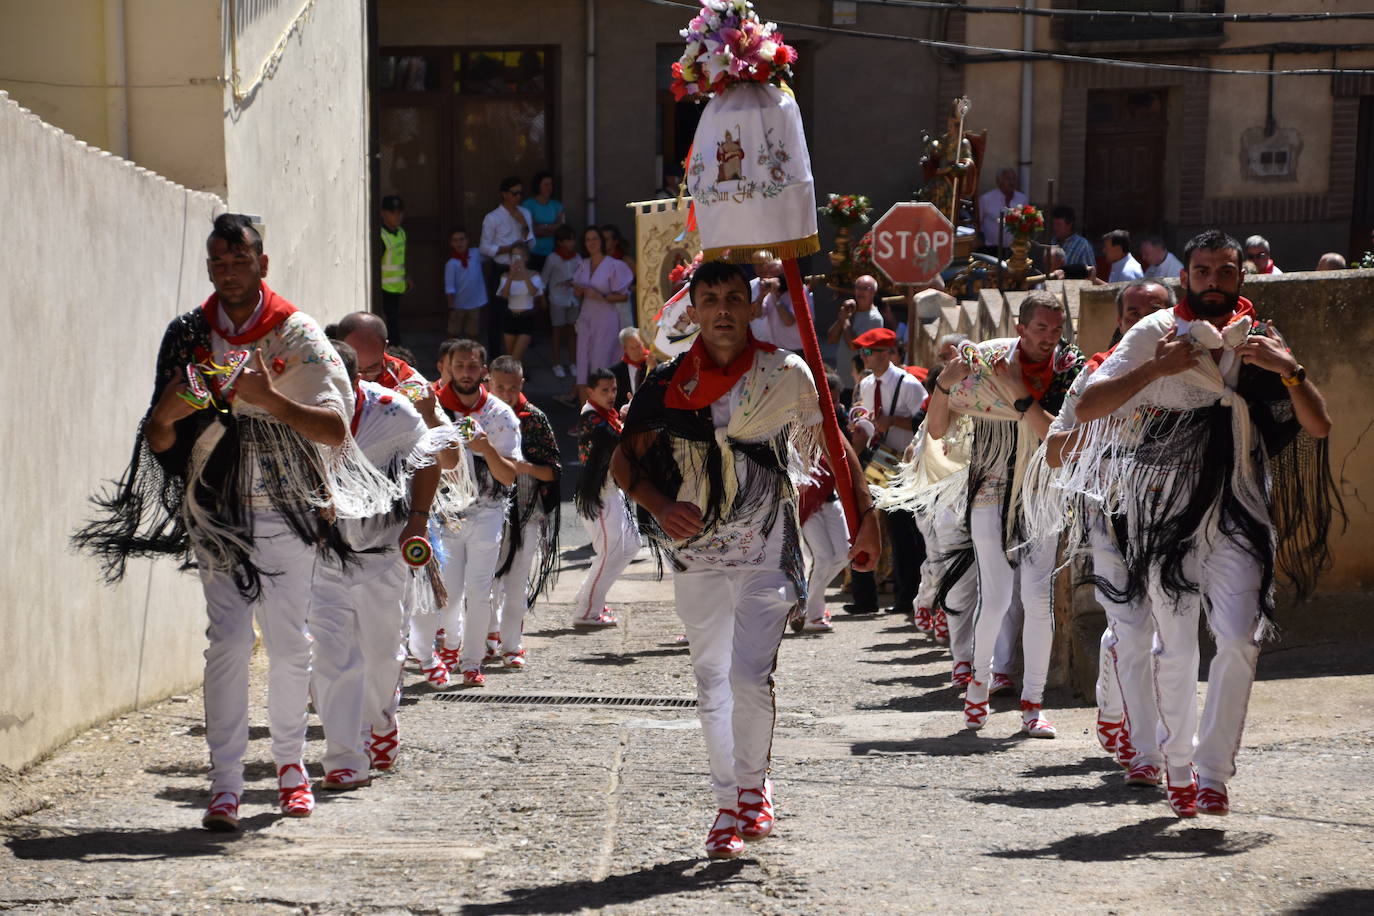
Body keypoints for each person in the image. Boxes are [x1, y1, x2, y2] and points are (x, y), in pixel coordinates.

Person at [74, 213, 398, 830]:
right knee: (224, 642)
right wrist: (170, 412)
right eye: (217, 263)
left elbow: (335, 430)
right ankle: (223, 785)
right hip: (216, 510)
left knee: (286, 644)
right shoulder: (189, 334)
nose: (228, 272)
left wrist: (269, 399)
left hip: (288, 510)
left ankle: (289, 769)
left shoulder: (299, 335)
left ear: (262, 264)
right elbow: (160, 438)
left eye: (239, 261)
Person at [611, 261, 880, 859]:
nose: (724, 309)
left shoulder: (785, 372)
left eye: (735, 297)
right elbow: (623, 461)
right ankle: (725, 803)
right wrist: (658, 504)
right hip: (697, 556)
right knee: (711, 683)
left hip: (767, 552)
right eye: (711, 300)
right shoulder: (667, 381)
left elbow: (831, 447)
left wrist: (867, 523)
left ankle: (751, 788)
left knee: (748, 678)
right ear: (696, 310)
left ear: (752, 306)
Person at [1069, 229, 1334, 817]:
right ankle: (1180, 765)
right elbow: (1087, 406)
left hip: (1239, 505)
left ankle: (1215, 771)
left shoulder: (1261, 337)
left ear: (1241, 276)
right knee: (1177, 647)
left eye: (1226, 270)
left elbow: (1318, 427)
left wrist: (1290, 371)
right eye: (1203, 270)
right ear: (1185, 276)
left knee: (1240, 638)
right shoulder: (1152, 331)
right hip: (1163, 509)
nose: (1214, 280)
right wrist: (1155, 368)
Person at [926, 291, 1085, 739]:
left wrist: (1016, 391)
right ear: (1020, 328)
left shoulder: (1068, 369)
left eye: (1056, 330)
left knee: (1037, 599)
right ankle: (978, 683)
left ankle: (1033, 704)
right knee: (995, 597)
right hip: (990, 489)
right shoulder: (985, 361)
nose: (1050, 339)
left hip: (1041, 490)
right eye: (1041, 329)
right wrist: (943, 384)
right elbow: (938, 429)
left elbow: (1055, 434)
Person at [1039, 279, 1174, 786]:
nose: (1142, 318)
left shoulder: (1197, 368)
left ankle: (1117, 712)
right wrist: (1105, 431)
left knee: (1162, 629)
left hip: (1175, 514)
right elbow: (1054, 450)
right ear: (1119, 321)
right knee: (1136, 628)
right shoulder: (1095, 374)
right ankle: (1147, 750)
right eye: (1133, 310)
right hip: (1111, 515)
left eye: (1155, 309)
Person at [307, 340, 446, 789]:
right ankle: (345, 755)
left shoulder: (393, 411)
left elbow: (428, 460)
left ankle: (381, 721)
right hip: (322, 557)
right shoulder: (297, 412)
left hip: (383, 553)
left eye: (335, 386)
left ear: (354, 381)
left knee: (381, 655)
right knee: (331, 656)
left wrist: (419, 521)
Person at [408, 339, 523, 688]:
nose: (466, 373)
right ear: (447, 367)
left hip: (488, 512)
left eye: (473, 366)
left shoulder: (500, 415)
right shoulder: (430, 408)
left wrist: (485, 447)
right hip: (445, 515)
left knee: (480, 590)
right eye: (460, 365)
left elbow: (508, 475)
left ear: (484, 371)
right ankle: (451, 646)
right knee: (450, 592)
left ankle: (471, 661)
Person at [488, 356, 561, 668]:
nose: (506, 393)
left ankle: (511, 645)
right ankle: (486, 637)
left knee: (518, 581)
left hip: (526, 511)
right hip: (485, 512)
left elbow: (553, 472)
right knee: (485, 582)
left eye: (512, 387)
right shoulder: (479, 415)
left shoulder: (534, 419)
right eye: (500, 386)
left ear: (522, 385)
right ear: (488, 382)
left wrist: (523, 468)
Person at [849, 327, 927, 618]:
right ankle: (864, 597)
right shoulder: (867, 384)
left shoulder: (908, 384)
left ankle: (907, 597)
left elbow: (925, 423)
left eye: (868, 352)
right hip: (876, 458)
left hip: (899, 461)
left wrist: (892, 420)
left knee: (900, 531)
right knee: (860, 518)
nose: (863, 356)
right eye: (862, 352)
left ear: (886, 354)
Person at [571, 368, 642, 628]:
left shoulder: (605, 414)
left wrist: (626, 415)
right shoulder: (591, 417)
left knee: (631, 545)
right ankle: (587, 610)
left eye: (613, 390)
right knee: (609, 552)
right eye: (605, 391)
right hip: (598, 495)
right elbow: (619, 440)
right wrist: (631, 416)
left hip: (612, 491)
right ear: (590, 392)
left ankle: (589, 595)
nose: (611, 395)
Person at [573, 226, 634, 401]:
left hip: (606, 317)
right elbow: (578, 289)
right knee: (582, 363)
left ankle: (604, 411)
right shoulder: (583, 265)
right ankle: (585, 416)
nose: (591, 243)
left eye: (595, 239)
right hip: (586, 316)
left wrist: (601, 296)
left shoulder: (614, 265)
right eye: (587, 239)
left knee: (601, 364)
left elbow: (623, 296)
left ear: (601, 241)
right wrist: (578, 291)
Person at [480, 176, 537, 354]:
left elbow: (532, 244)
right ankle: (496, 356)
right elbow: (484, 247)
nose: (518, 196)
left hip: (522, 270)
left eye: (520, 192)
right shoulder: (492, 217)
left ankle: (517, 359)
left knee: (521, 313)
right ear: (504, 194)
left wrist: (524, 225)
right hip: (502, 269)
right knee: (498, 315)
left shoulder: (525, 213)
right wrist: (508, 249)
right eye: (514, 193)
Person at [541, 225, 582, 378]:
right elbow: (544, 280)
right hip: (557, 299)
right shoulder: (552, 258)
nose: (571, 243)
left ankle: (572, 362)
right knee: (557, 331)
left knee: (572, 332)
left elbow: (581, 277)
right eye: (567, 240)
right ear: (559, 242)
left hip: (573, 300)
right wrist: (543, 298)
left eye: (572, 240)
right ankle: (556, 363)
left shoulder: (577, 258)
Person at [496, 241, 544, 361]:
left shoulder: (534, 275)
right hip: (510, 317)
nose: (517, 259)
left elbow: (534, 292)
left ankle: (516, 376)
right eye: (514, 256)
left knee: (515, 357)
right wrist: (511, 276)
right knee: (510, 356)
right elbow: (504, 296)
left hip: (526, 318)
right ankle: (517, 376)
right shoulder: (505, 276)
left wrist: (524, 273)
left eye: (520, 256)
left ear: (526, 258)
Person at [445, 228, 488, 341]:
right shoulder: (451, 264)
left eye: (462, 239)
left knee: (473, 334)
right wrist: (451, 308)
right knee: (453, 334)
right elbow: (449, 288)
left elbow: (489, 253)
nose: (459, 243)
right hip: (458, 304)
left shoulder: (476, 254)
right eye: (455, 240)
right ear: (451, 243)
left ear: (467, 240)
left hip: (475, 303)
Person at [826, 275, 886, 352]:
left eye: (865, 288)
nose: (860, 292)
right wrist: (843, 315)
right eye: (858, 287)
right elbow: (831, 340)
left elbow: (854, 347)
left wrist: (845, 321)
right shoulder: (850, 310)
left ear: (874, 292)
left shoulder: (875, 319)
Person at [977, 167, 1029, 254]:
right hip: (991, 248)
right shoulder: (986, 199)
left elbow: (1026, 222)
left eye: (1013, 179)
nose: (1011, 182)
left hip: (1015, 249)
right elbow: (977, 222)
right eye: (1008, 179)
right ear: (998, 182)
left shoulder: (1022, 199)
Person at [521, 170, 565, 270]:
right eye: (546, 184)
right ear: (538, 185)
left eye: (551, 184)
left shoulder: (557, 205)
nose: (549, 187)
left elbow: (561, 229)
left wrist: (542, 226)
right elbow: (533, 230)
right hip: (532, 254)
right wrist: (551, 228)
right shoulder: (528, 204)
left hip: (553, 253)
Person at [379, 195, 408, 342]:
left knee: (395, 321)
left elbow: (400, 259)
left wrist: (406, 277)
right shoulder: (381, 235)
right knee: (389, 326)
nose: (397, 216)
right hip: (383, 289)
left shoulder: (401, 233)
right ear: (383, 213)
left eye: (399, 212)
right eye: (393, 212)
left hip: (398, 287)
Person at [601, 224, 637, 327]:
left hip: (622, 306)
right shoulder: (598, 260)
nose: (603, 243)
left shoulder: (625, 260)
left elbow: (641, 281)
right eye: (602, 240)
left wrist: (628, 290)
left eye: (606, 240)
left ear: (615, 242)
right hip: (603, 306)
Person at [611, 327, 649, 410]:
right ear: (625, 349)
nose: (637, 351)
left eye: (639, 346)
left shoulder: (651, 363)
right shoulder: (615, 372)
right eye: (632, 348)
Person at [1050, 205, 1095, 272]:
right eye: (1054, 224)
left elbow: (1091, 273)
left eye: (1059, 225)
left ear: (1069, 225)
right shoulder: (1053, 241)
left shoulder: (1083, 246)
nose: (1055, 228)